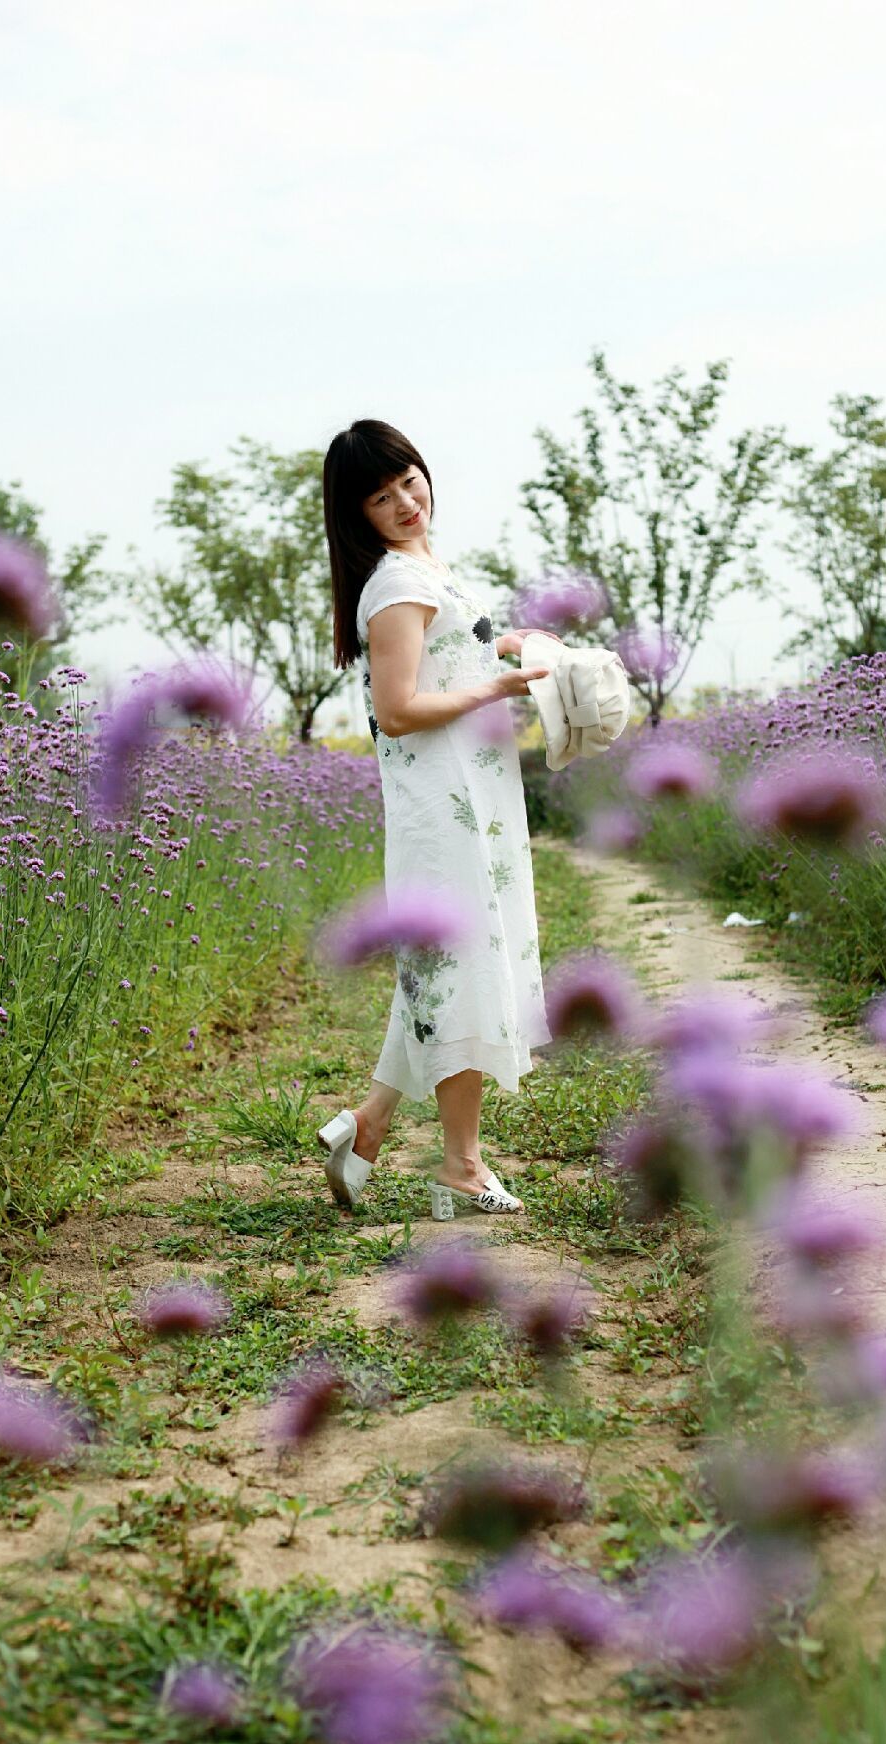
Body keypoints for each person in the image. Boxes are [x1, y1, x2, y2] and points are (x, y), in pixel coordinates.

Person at [317, 418, 556, 1219]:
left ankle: (368, 1126)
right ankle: (461, 1164)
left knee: (438, 972)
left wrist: (512, 645)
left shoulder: (427, 570)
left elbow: (461, 653)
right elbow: (399, 707)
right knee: (460, 972)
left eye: (409, 480)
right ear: (361, 515)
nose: (405, 501)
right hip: (441, 810)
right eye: (382, 498)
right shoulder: (395, 584)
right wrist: (497, 690)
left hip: (470, 800)